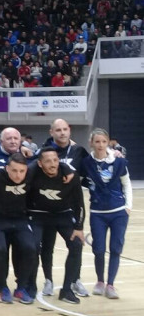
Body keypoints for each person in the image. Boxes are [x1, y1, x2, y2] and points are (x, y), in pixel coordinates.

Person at [27, 147, 85, 304]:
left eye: (55, 160)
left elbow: (79, 203)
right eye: (48, 161)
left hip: (62, 215)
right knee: (32, 247)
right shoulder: (32, 173)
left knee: (76, 244)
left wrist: (79, 227)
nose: (53, 164)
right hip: (37, 214)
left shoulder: (70, 176)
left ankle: (66, 290)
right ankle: (30, 285)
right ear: (40, 164)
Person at [83, 129, 132, 299]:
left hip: (118, 212)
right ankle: (99, 281)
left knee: (115, 249)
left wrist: (128, 206)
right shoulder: (87, 163)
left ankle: (111, 284)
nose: (101, 145)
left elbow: (127, 184)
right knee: (98, 249)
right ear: (92, 143)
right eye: (97, 142)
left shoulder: (119, 162)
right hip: (98, 212)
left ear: (108, 142)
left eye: (104, 141)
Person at [0, 153, 38, 304]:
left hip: (20, 220)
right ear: (6, 168)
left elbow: (47, 159)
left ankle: (21, 288)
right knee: (0, 249)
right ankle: (2, 287)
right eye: (14, 170)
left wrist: (67, 170)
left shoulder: (31, 174)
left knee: (30, 248)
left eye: (21, 171)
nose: (18, 175)